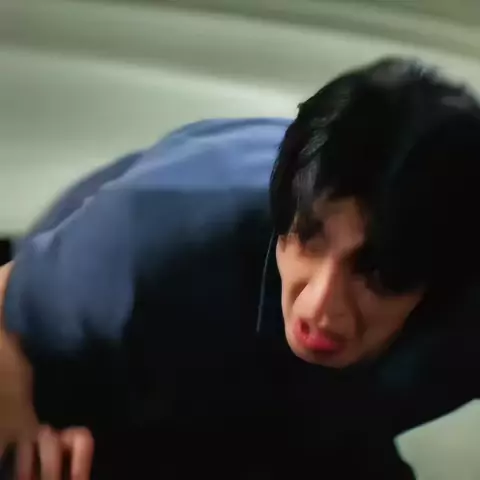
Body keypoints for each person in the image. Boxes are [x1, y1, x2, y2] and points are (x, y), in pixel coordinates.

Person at [1, 56, 480, 479]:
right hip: (103, 374)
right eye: (308, 239)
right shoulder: (157, 244)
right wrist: (16, 422)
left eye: (376, 275)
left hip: (307, 420)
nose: (319, 308)